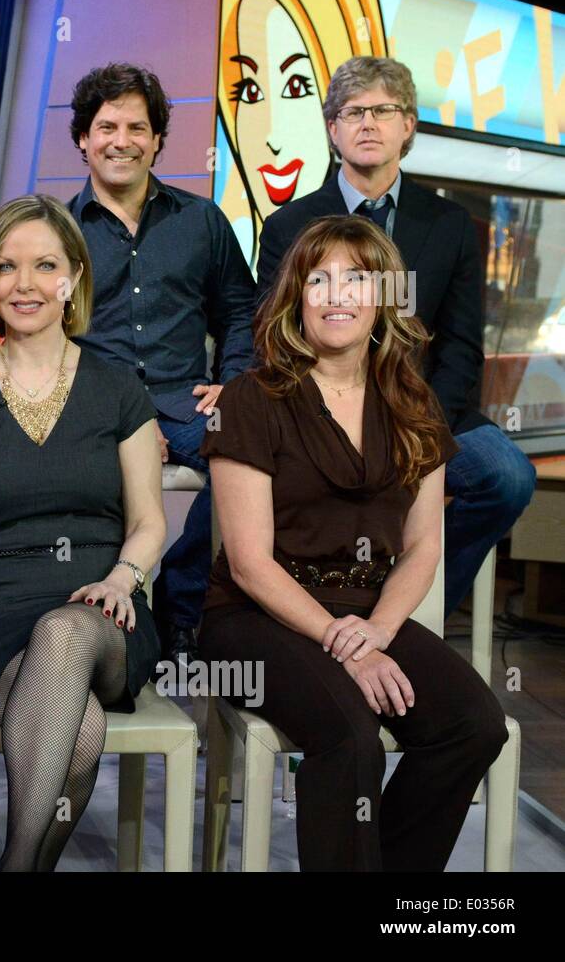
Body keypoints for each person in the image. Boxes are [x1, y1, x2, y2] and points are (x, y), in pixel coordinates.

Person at [201, 215, 508, 870]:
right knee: (350, 731)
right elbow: (251, 564)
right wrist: (344, 643)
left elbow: (425, 544)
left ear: (384, 299)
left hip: (367, 612)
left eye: (357, 280)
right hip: (257, 616)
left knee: (473, 725)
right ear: (295, 298)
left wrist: (377, 631)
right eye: (320, 279)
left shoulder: (413, 402)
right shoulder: (251, 399)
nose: (337, 295)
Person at [0, 195, 166, 871]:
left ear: (73, 280)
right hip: (1, 615)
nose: (23, 284)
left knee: (67, 630)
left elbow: (149, 520)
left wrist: (123, 577)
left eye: (44, 266)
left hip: (104, 609)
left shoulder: (120, 390)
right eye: (6, 267)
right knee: (78, 735)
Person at [257, 56, 536, 617]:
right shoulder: (290, 225)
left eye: (384, 110)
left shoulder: (449, 225)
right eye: (352, 112)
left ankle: (412, 607)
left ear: (408, 125)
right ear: (332, 129)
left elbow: (460, 344)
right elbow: (274, 333)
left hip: (424, 408)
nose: (368, 123)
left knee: (507, 477)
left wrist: (425, 420)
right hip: (324, 410)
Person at [66, 62, 256, 663]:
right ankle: (102, 621)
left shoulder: (202, 220)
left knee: (255, 446)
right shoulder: (58, 229)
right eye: (106, 127)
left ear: (157, 140)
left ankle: (183, 593)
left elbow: (241, 312)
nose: (121, 140)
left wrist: (231, 383)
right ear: (83, 139)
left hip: (185, 398)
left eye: (136, 127)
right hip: (93, 406)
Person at [215, 0, 385, 266]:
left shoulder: (435, 222)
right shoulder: (263, 233)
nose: (272, 138)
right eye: (250, 91)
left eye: (296, 86)